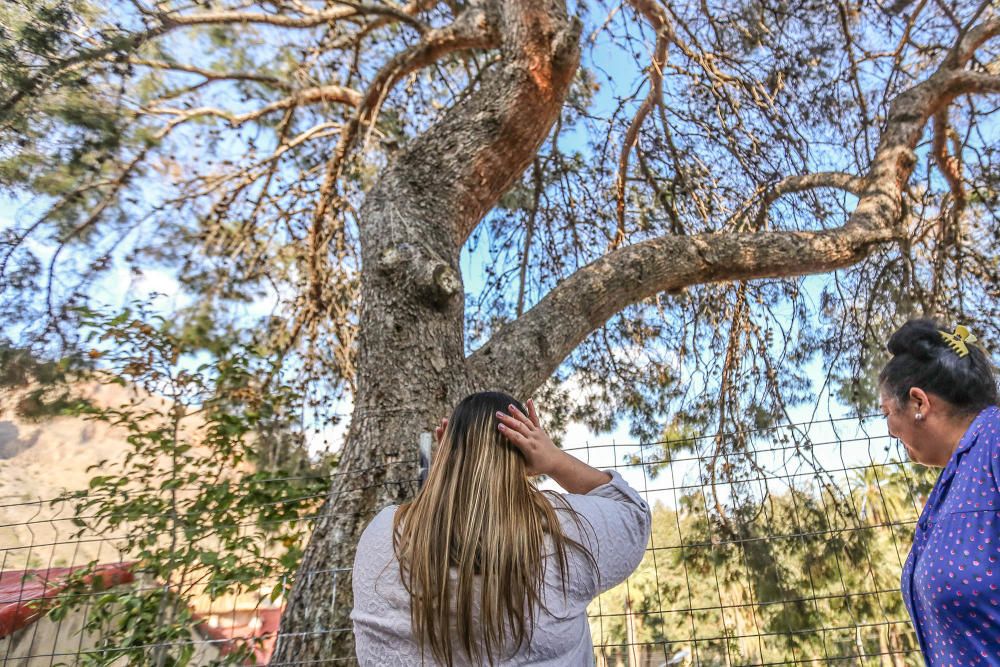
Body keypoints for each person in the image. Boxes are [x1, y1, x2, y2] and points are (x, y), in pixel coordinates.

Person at [350, 391, 652, 666]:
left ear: (446, 455)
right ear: (523, 456)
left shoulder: (385, 534)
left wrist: (448, 480)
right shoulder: (567, 530)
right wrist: (554, 460)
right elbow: (632, 515)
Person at [879, 319, 1000, 665]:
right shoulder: (959, 474)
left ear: (918, 403)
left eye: (887, 413)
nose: (889, 431)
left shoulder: (995, 441)